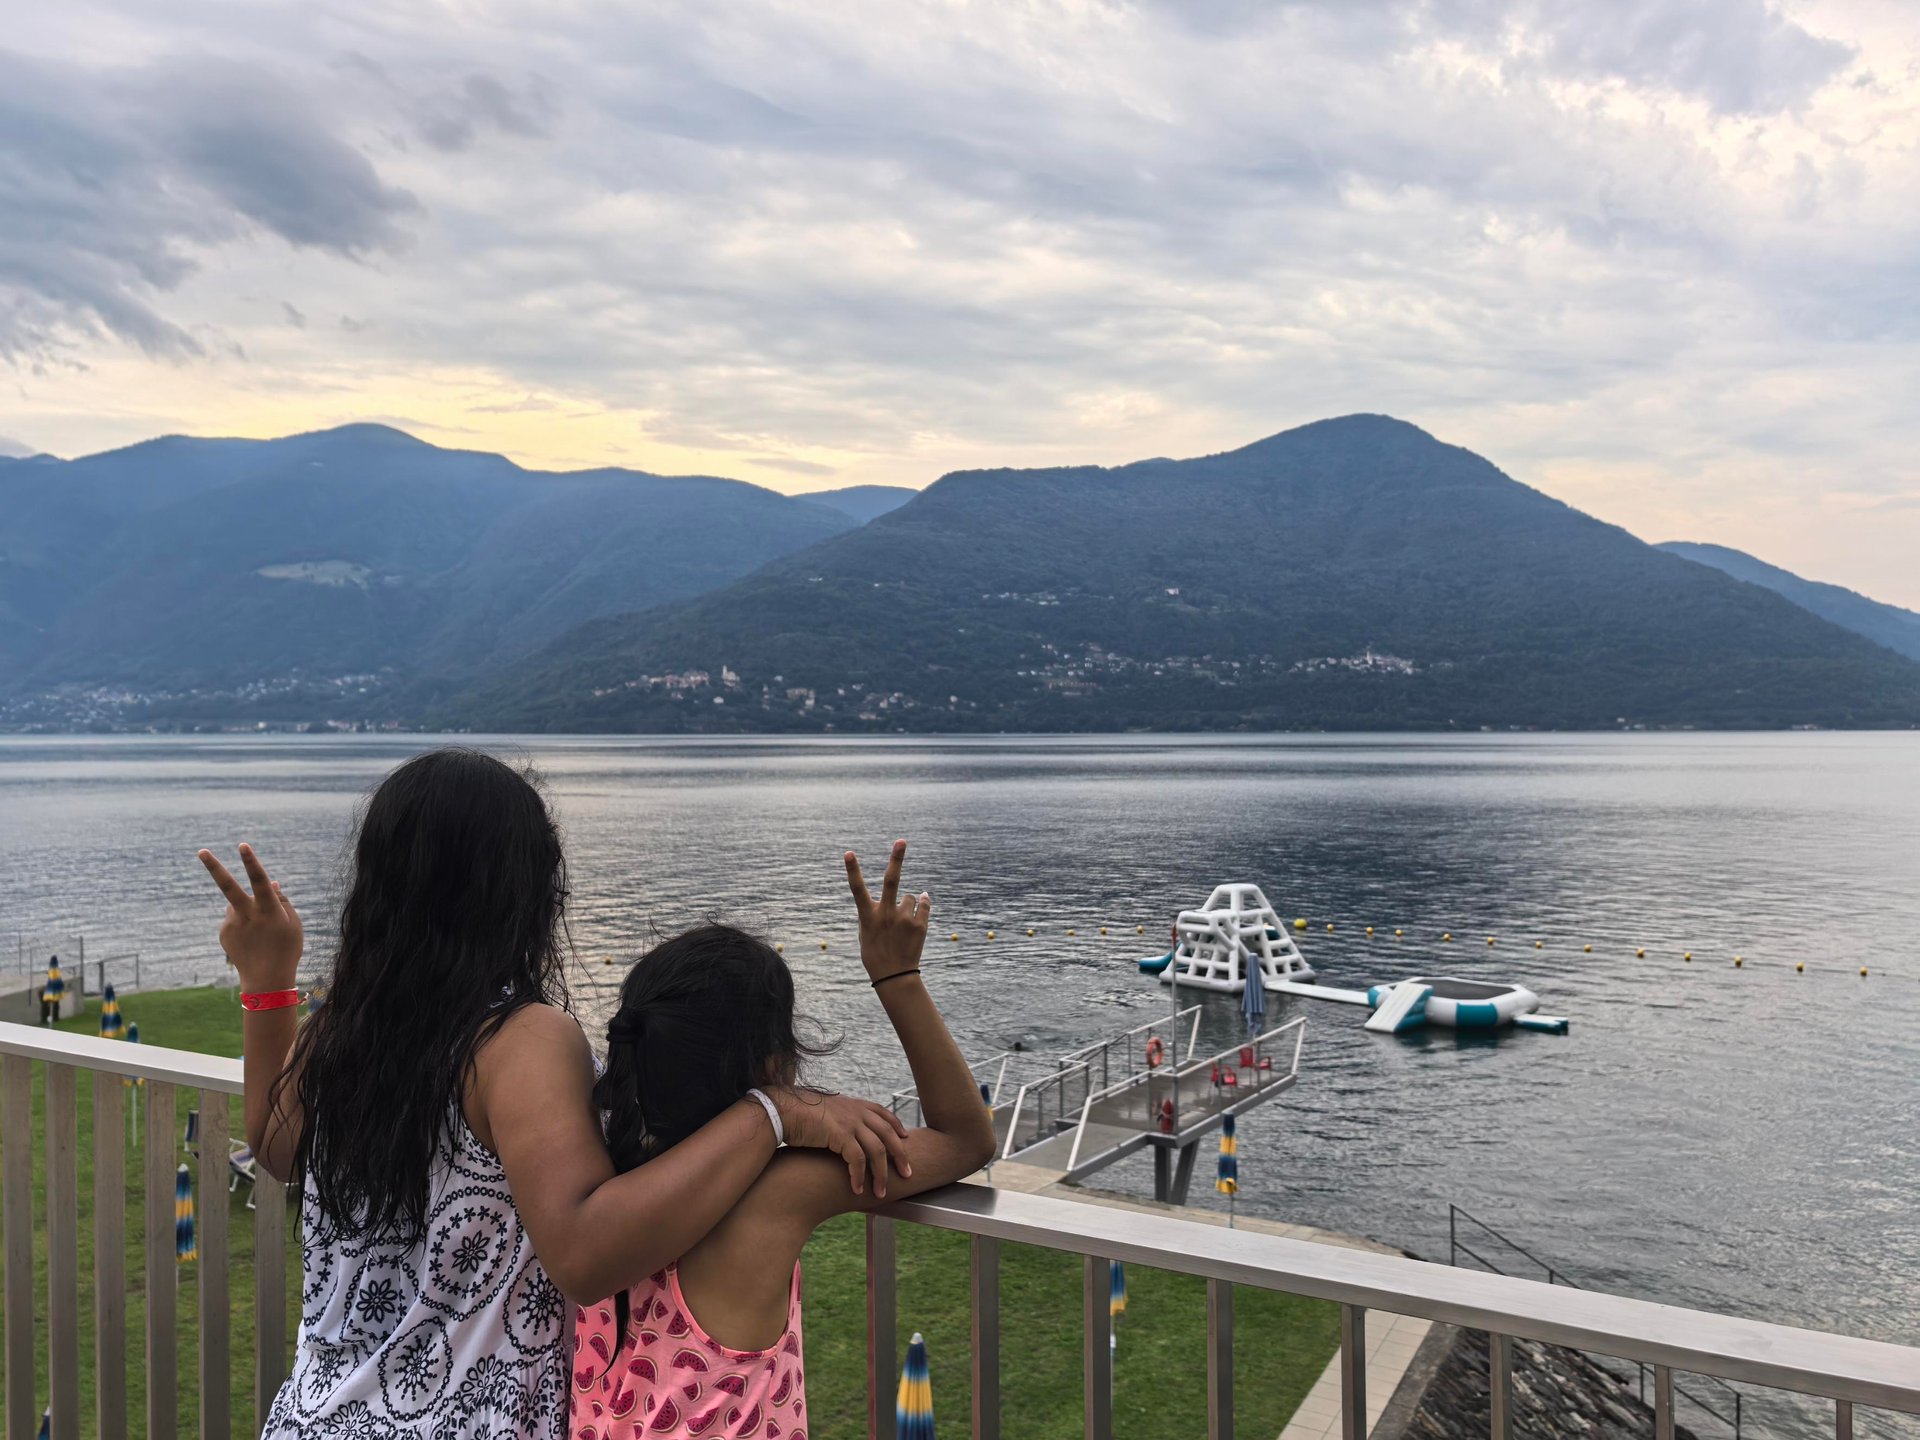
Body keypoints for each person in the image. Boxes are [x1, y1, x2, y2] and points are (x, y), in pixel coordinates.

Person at [197, 747, 910, 1439]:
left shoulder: (344, 1029)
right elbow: (582, 1255)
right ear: (525, 890)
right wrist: (771, 1113)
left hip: (313, 1417)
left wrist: (268, 982)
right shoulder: (521, 1039)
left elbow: (276, 1145)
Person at [574, 840, 996, 1440]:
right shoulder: (776, 1194)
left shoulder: (602, 1183)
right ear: (776, 1067)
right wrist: (898, 976)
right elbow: (966, 1139)